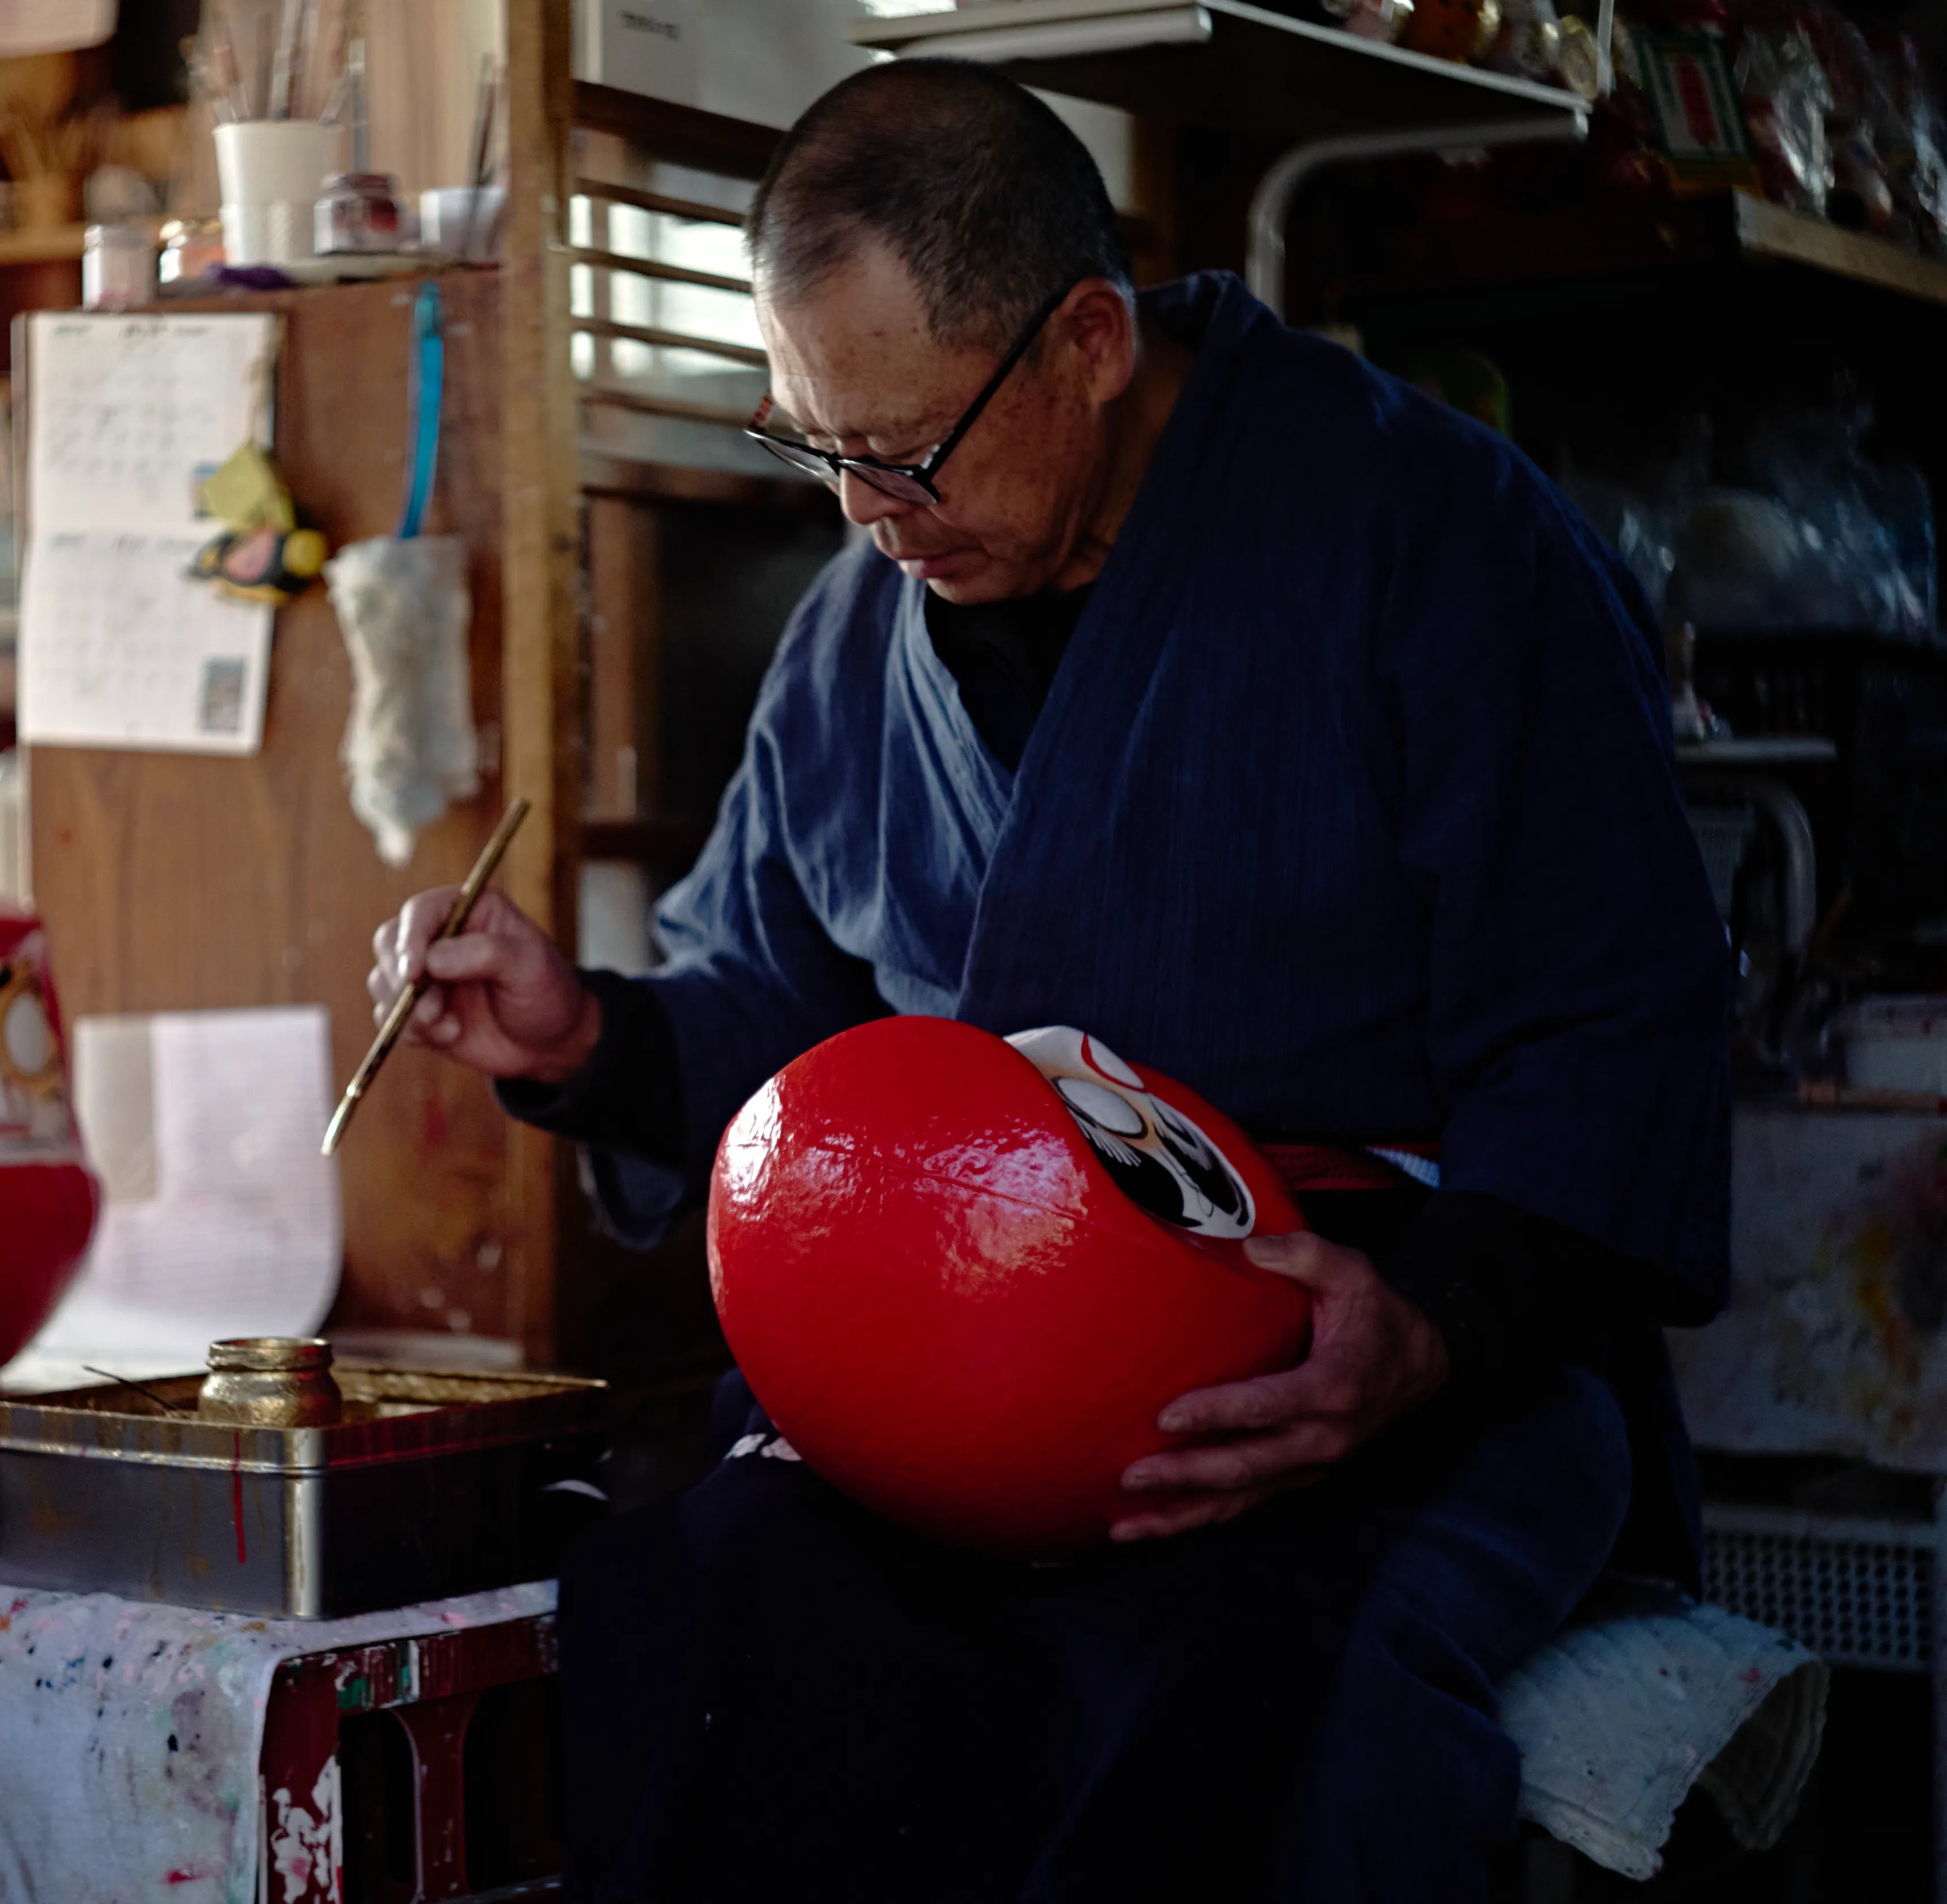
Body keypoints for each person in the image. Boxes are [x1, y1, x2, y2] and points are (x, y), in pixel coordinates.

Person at [365, 58, 1730, 1904]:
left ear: (1089, 340)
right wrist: (590, 1039)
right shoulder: (857, 629)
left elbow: (1611, 1027)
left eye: (905, 450)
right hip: (970, 1369)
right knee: (712, 1612)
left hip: (1354, 1363)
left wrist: (1424, 1329)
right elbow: (792, 1036)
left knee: (1243, 1717)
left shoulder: (1434, 536)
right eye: (814, 449)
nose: (866, 515)